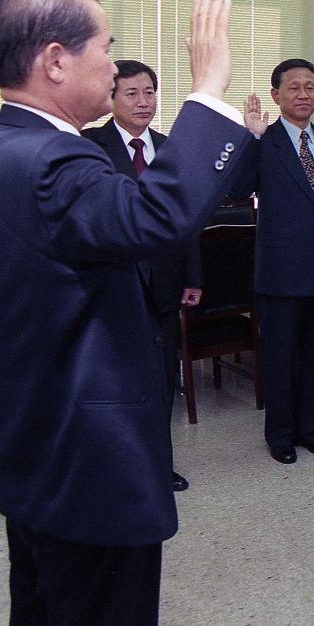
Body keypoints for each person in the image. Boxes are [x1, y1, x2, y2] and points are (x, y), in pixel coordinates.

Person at [0, 0, 264, 624]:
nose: (115, 67)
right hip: (88, 465)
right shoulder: (52, 162)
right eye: (107, 49)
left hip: (33, 451)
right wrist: (208, 88)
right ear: (56, 61)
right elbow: (158, 215)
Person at [228, 58, 314, 465]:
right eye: (294, 87)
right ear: (276, 95)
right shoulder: (264, 142)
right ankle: (280, 435)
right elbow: (237, 188)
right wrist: (249, 138)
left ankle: (311, 429)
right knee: (280, 357)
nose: (303, 94)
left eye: (311, 87)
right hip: (281, 272)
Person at [82, 59, 201, 493]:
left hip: (165, 285)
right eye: (131, 93)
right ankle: (117, 469)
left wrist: (193, 275)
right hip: (113, 286)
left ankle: (158, 464)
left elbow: (185, 220)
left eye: (149, 92)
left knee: (161, 380)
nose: (142, 101)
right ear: (111, 99)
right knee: (116, 384)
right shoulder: (89, 146)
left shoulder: (172, 148)